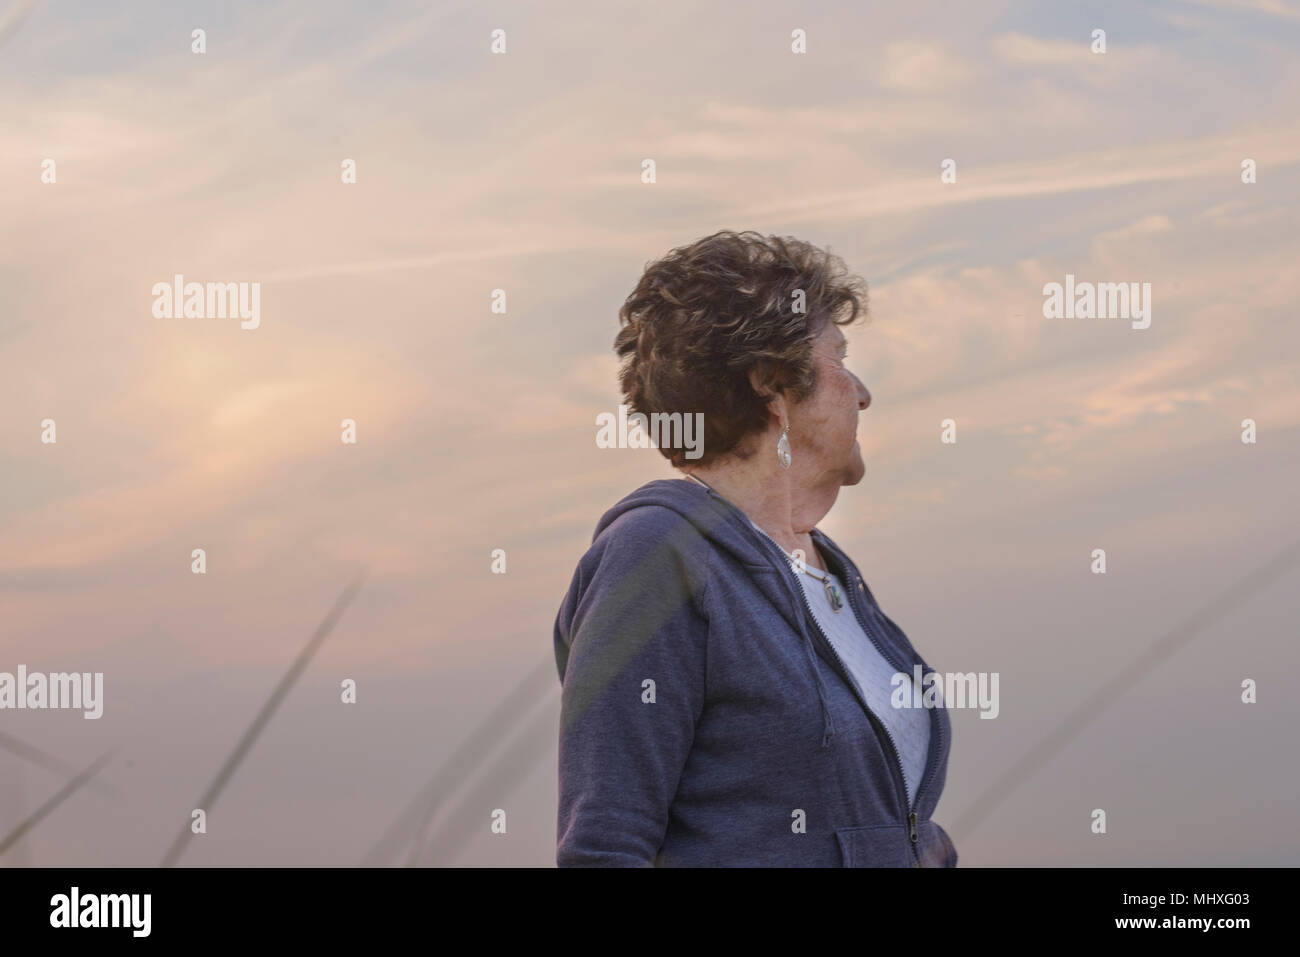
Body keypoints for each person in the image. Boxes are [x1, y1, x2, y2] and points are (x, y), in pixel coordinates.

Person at [553, 230, 957, 867]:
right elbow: (606, 845)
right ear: (772, 383)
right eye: (839, 359)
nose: (861, 391)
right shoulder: (657, 556)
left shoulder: (827, 575)